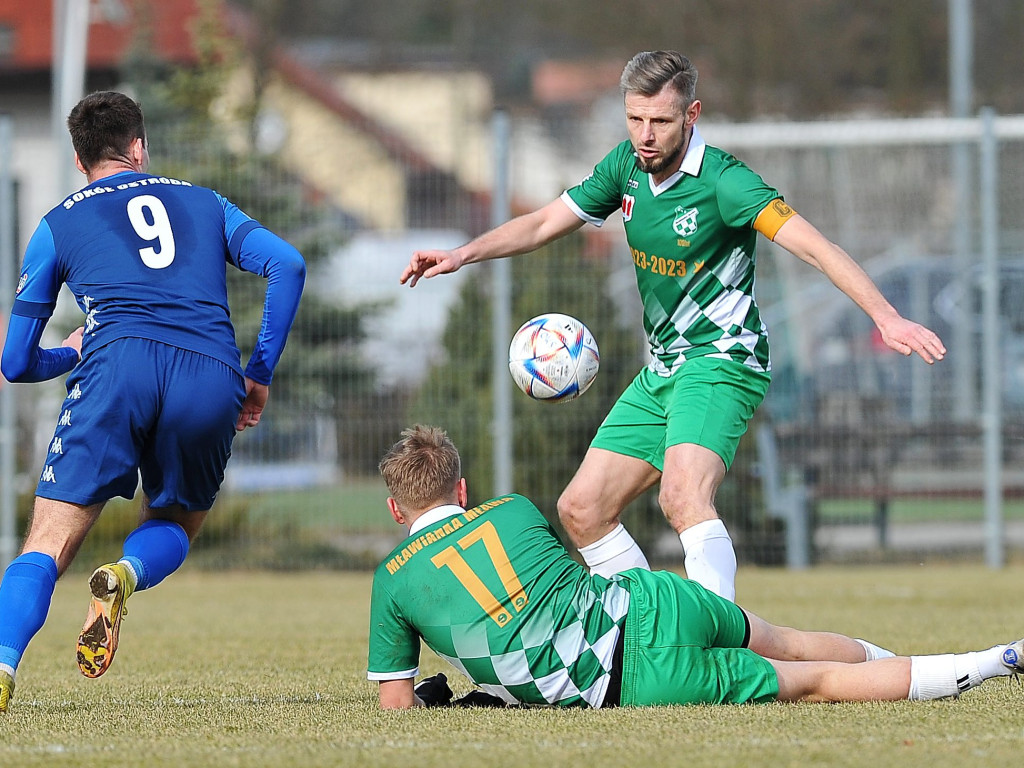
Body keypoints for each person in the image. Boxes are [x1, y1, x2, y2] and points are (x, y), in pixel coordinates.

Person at [400, 51, 947, 602]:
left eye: (660, 121)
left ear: (692, 114)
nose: (645, 135)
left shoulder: (725, 182)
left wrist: (886, 316)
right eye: (635, 119)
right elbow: (544, 222)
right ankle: (650, 623)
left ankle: (716, 635)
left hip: (722, 359)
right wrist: (462, 254)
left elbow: (816, 248)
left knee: (683, 496)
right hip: (662, 369)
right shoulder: (625, 168)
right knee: (583, 509)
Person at [0, 91, 306, 713]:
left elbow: (14, 363)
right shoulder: (206, 202)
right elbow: (288, 265)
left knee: (46, 545)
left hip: (117, 366)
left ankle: (2, 664)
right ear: (139, 148)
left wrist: (69, 354)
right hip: (209, 371)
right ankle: (125, 575)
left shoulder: (57, 224)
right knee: (173, 521)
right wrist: (259, 373)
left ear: (80, 159)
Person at [367, 425, 1022, 710]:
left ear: (397, 509)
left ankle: (994, 661)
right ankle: (916, 662)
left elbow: (397, 704)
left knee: (817, 683)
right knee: (793, 642)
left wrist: (434, 695)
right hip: (655, 598)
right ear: (461, 490)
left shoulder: (392, 580)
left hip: (633, 678)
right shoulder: (511, 509)